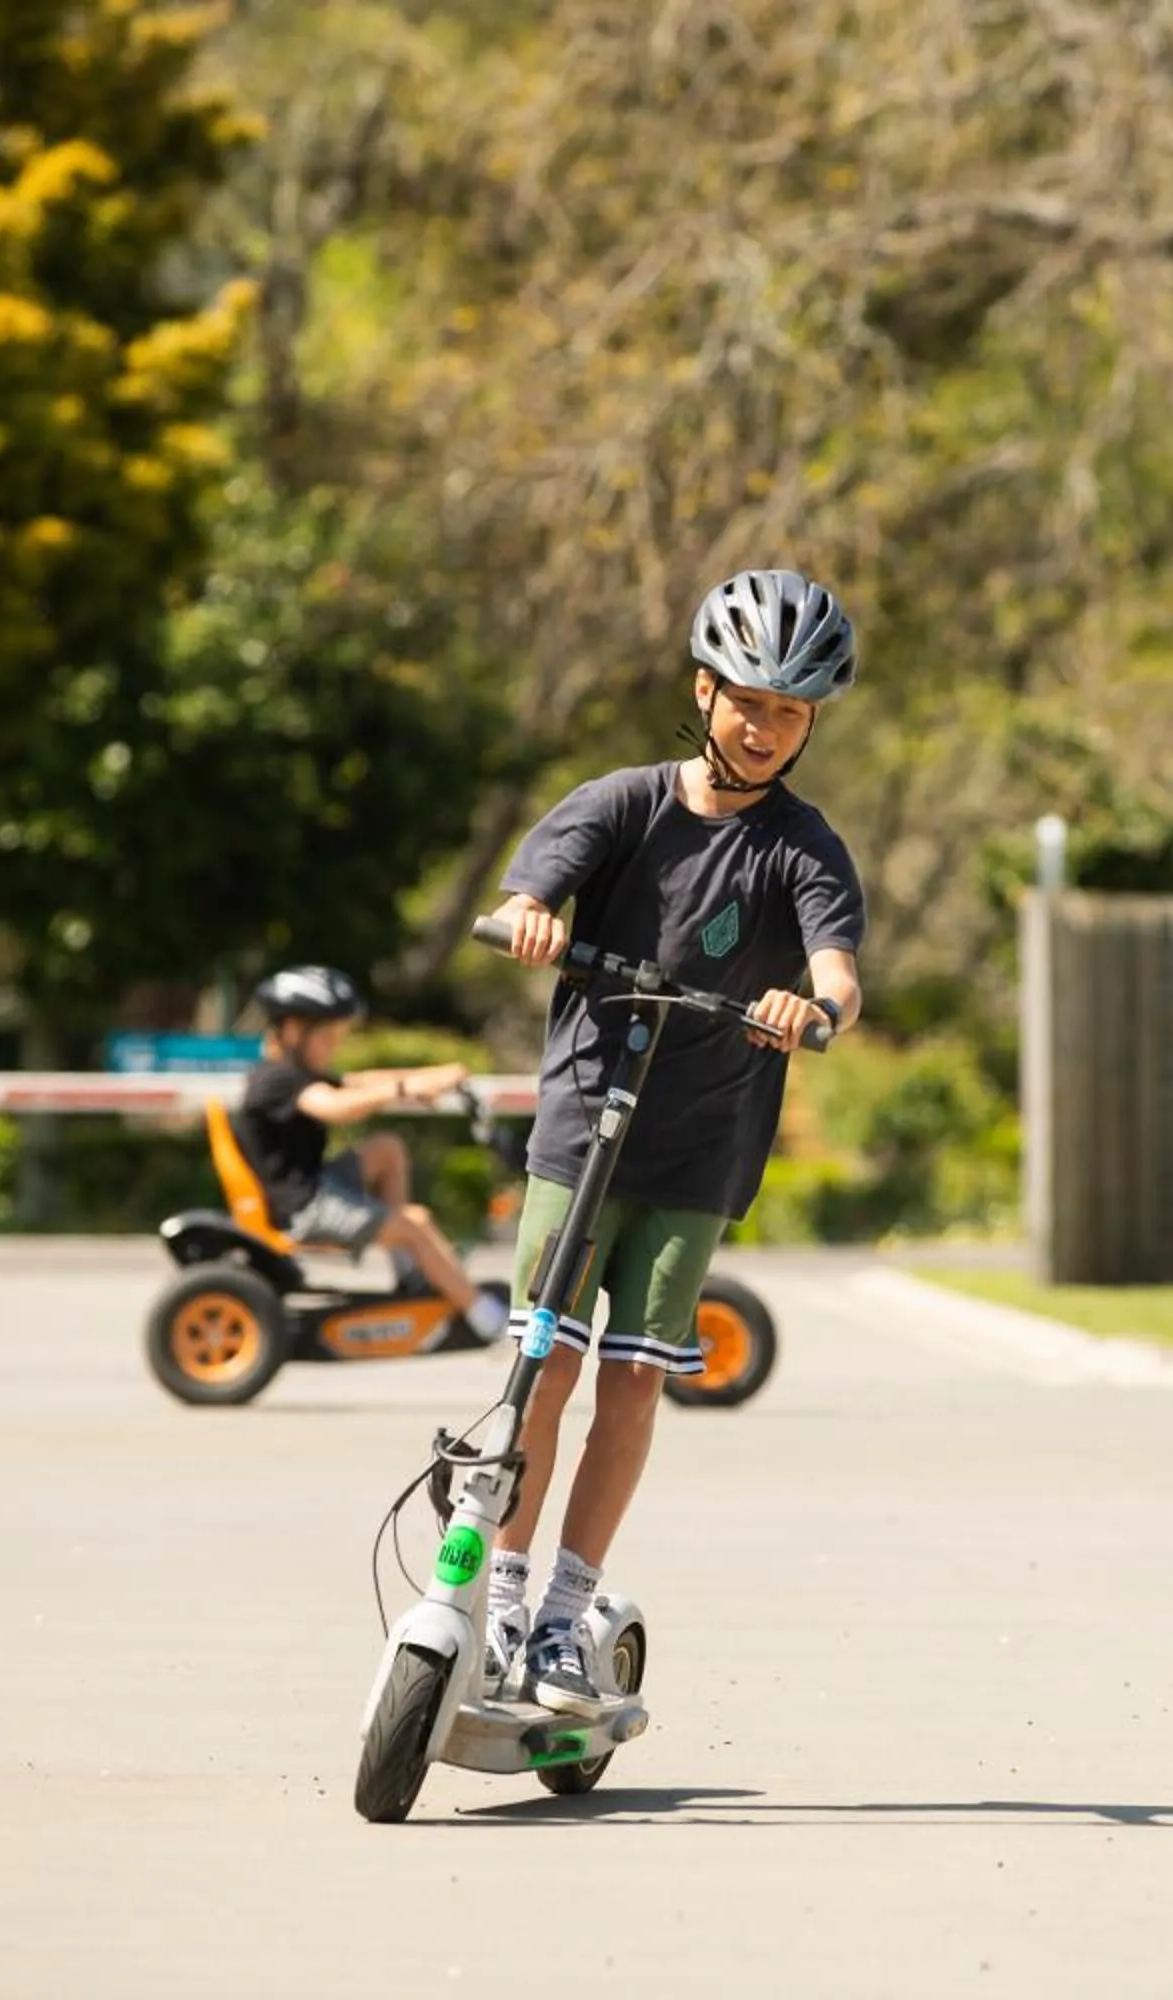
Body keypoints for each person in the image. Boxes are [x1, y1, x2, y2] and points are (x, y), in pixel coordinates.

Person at [481, 568, 868, 1715]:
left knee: (634, 1384)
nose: (763, 726)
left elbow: (838, 966)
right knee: (539, 1364)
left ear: (808, 725)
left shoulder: (804, 846)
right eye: (747, 699)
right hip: (580, 1128)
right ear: (704, 690)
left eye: (789, 711)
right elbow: (521, 897)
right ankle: (498, 1590)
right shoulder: (620, 803)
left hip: (700, 1150)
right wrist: (534, 919)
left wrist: (818, 1006)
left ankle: (565, 1612)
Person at [233, 965, 511, 1341]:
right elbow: (336, 1106)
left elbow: (357, 1082)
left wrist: (429, 1076)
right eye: (328, 1037)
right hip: (303, 1210)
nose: (335, 1046)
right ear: (294, 1029)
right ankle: (484, 1318)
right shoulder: (276, 1081)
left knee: (385, 1149)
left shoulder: (292, 1072)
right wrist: (403, 1087)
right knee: (415, 1222)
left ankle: (411, 1272)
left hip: (314, 1187)